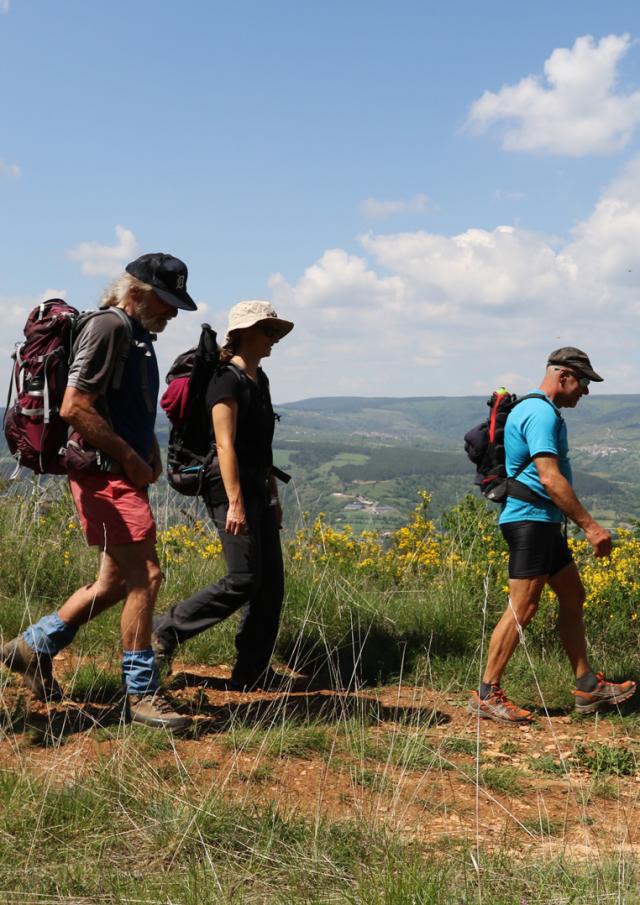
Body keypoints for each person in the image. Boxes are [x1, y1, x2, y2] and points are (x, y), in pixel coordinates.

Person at [0, 253, 197, 730]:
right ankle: (142, 694)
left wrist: (147, 448)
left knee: (114, 582)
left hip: (119, 471)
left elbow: (128, 407)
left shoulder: (138, 337)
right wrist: (130, 459)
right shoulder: (110, 328)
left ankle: (30, 648)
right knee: (147, 576)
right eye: (165, 302)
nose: (172, 312)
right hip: (104, 473)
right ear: (136, 293)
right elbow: (75, 407)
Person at [469, 347, 636, 724]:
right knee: (523, 606)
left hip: (542, 521)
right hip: (530, 521)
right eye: (583, 383)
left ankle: (587, 685)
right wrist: (591, 527)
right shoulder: (540, 413)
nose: (586, 393)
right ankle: (486, 693)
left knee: (573, 595)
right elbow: (549, 476)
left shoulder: (540, 410)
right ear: (563, 376)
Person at [151, 300, 293, 690]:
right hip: (226, 485)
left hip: (257, 485)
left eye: (275, 332)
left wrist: (273, 497)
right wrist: (235, 501)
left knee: (271, 584)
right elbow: (225, 445)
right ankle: (166, 629)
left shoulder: (259, 380)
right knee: (244, 578)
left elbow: (261, 450)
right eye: (268, 331)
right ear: (245, 332)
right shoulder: (224, 380)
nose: (273, 339)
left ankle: (252, 670)